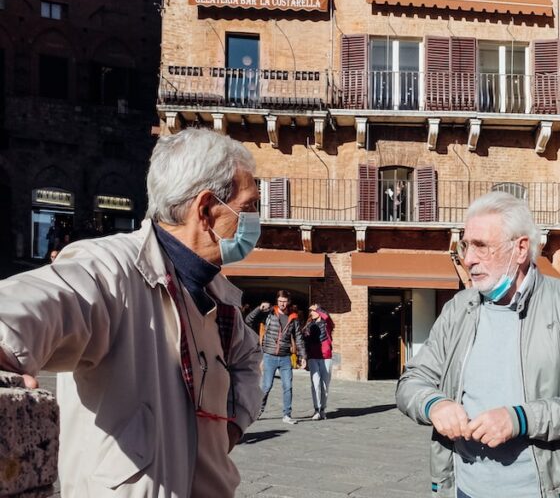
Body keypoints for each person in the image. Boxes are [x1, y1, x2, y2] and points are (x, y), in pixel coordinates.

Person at [0, 128, 263, 495]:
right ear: (205, 210)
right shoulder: (112, 267)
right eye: (249, 207)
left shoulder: (220, 296)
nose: (255, 221)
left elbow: (248, 360)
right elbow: (51, 295)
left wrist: (229, 427)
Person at [396, 192, 560, 498]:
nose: (468, 258)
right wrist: (434, 404)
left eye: (481, 246)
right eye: (465, 246)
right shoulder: (457, 308)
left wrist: (520, 419)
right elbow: (411, 381)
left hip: (547, 491)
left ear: (520, 249)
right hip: (462, 489)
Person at [245, 290, 307, 424]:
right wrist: (258, 309)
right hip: (269, 356)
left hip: (285, 357)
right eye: (280, 301)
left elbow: (299, 338)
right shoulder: (270, 313)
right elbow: (248, 320)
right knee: (266, 386)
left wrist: (303, 356)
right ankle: (258, 411)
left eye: (284, 301)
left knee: (288, 386)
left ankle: (287, 415)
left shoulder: (293, 317)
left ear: (288, 302)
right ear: (277, 301)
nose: (282, 304)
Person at [303, 302, 335, 420]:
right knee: (315, 384)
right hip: (313, 357)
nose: (311, 313)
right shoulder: (309, 325)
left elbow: (327, 317)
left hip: (326, 357)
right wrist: (304, 357)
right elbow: (305, 342)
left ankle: (323, 409)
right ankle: (316, 409)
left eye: (314, 311)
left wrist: (319, 308)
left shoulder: (327, 324)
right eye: (311, 311)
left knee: (325, 385)